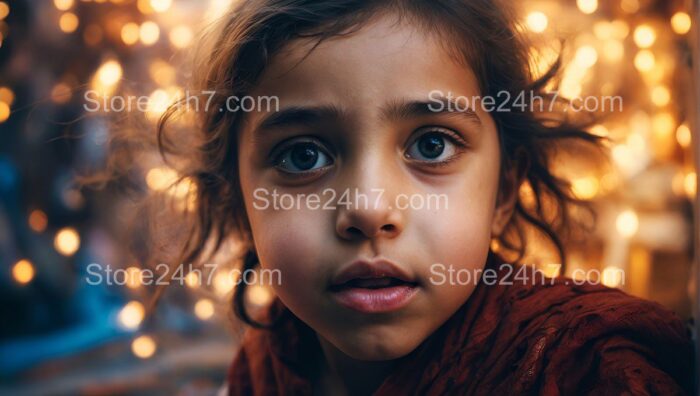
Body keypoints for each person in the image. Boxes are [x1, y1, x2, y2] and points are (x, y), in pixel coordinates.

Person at [154, 0, 695, 394]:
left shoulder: (590, 368)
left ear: (504, 189)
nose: (370, 208)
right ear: (239, 203)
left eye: (431, 144)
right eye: (303, 156)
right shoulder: (266, 367)